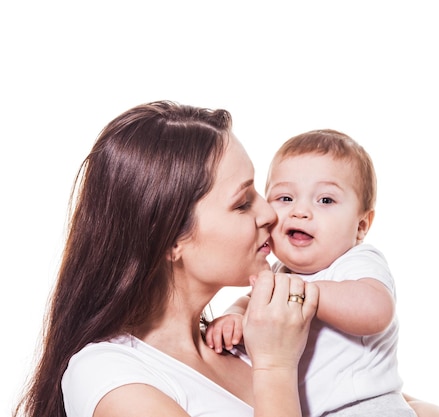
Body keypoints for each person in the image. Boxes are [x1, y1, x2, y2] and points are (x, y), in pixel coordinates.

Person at [12, 100, 320, 417]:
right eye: (242, 203)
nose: (269, 214)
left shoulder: (249, 338)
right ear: (169, 239)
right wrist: (275, 368)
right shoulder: (108, 376)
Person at [207, 129, 424, 417]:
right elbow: (252, 301)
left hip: (368, 407)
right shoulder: (280, 272)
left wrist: (303, 293)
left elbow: (376, 310)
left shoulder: (356, 261)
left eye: (325, 201)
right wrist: (234, 315)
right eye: (285, 198)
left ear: (361, 225)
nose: (300, 211)